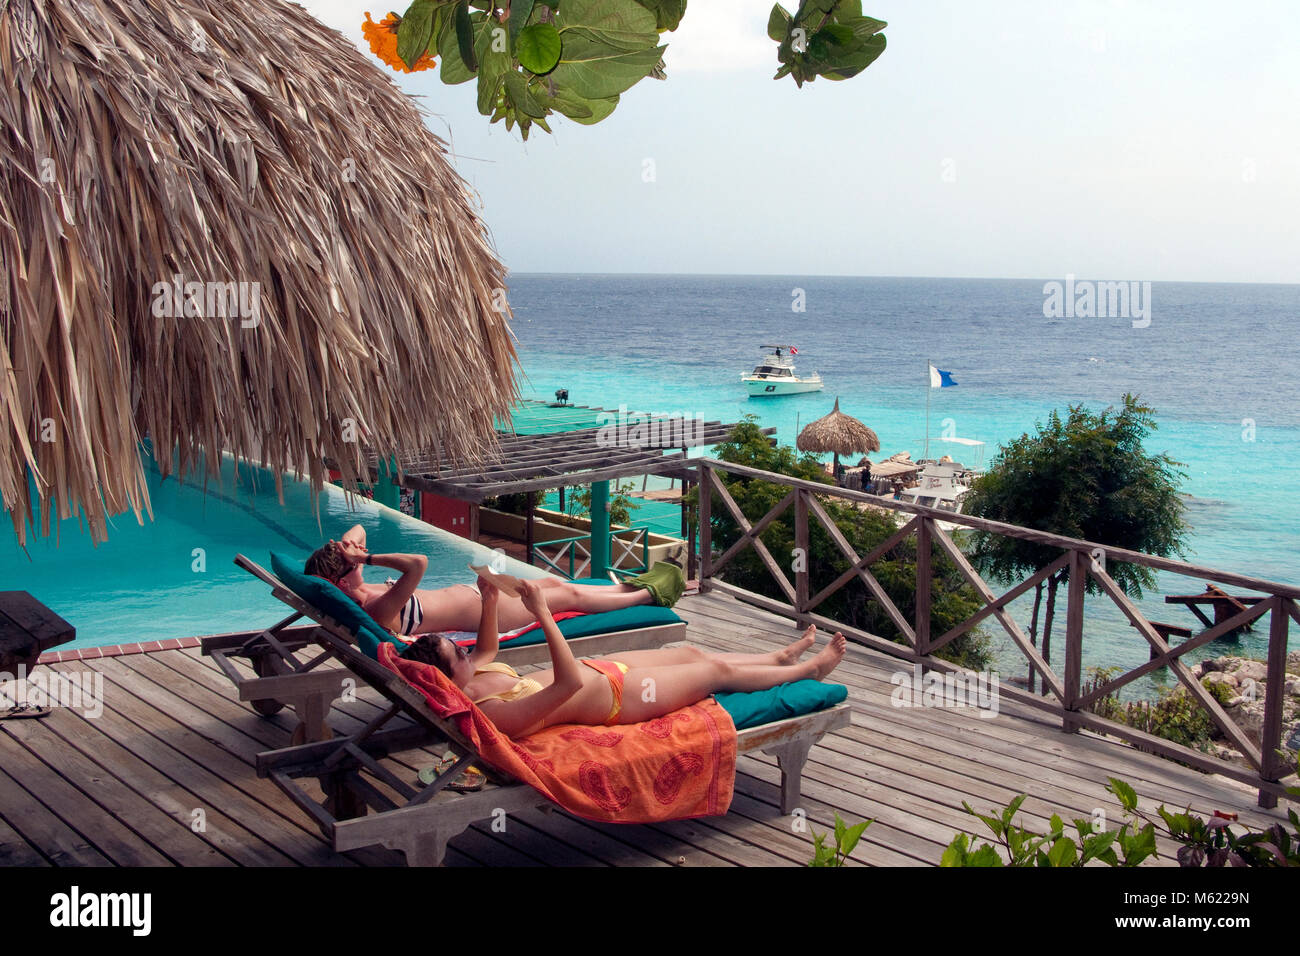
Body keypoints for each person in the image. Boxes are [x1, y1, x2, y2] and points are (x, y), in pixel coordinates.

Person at [403, 575, 847, 738]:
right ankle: (810, 669)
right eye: (455, 654)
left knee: (690, 650)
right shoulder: (493, 714)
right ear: (447, 680)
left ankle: (779, 655)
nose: (463, 651)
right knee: (714, 671)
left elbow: (487, 648)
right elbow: (567, 686)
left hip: (602, 671)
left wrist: (490, 600)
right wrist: (542, 612)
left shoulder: (469, 678)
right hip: (617, 697)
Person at [303, 524, 663, 635]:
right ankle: (645, 597)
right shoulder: (377, 608)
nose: (360, 564)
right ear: (343, 582)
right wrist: (364, 556)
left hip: (483, 594)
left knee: (553, 583)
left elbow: (358, 528)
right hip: (494, 614)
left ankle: (619, 588)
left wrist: (345, 548)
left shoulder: (361, 589)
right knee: (567, 594)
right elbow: (418, 563)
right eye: (353, 565)